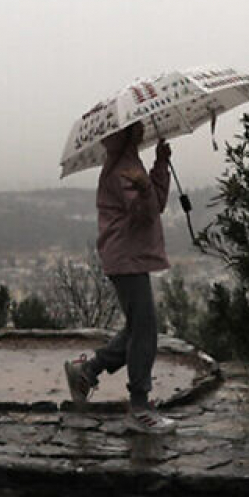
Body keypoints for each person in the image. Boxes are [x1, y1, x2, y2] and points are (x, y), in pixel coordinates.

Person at [63, 121, 177, 434]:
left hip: (128, 254)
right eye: (136, 126)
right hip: (126, 255)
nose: (142, 129)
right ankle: (139, 406)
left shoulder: (126, 161)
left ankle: (87, 370)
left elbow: (154, 204)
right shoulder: (123, 166)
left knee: (138, 327)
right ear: (125, 133)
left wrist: (160, 166)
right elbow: (145, 212)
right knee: (145, 330)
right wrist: (144, 187)